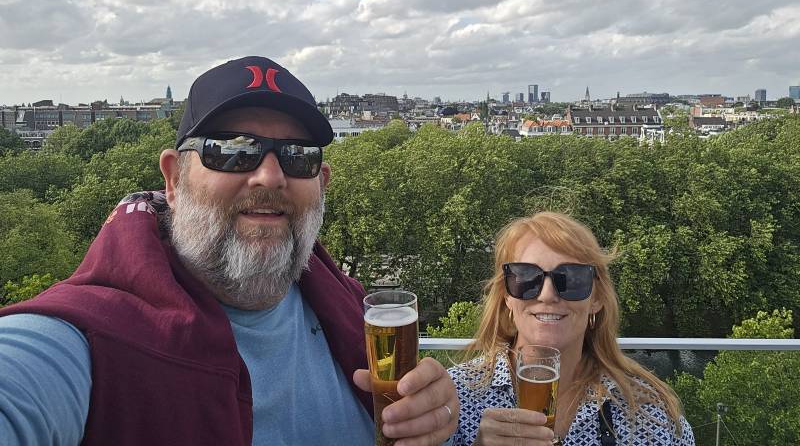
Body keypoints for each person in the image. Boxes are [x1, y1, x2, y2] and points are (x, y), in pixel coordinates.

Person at [0, 56, 458, 446]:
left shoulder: (349, 306)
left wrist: (434, 415)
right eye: (232, 150)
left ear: (322, 184)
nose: (270, 176)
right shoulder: (90, 337)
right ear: (174, 179)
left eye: (298, 155)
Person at [448, 212, 694, 446]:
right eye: (526, 277)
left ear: (596, 299)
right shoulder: (454, 399)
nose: (547, 295)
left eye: (571, 279)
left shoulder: (649, 416)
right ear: (507, 296)